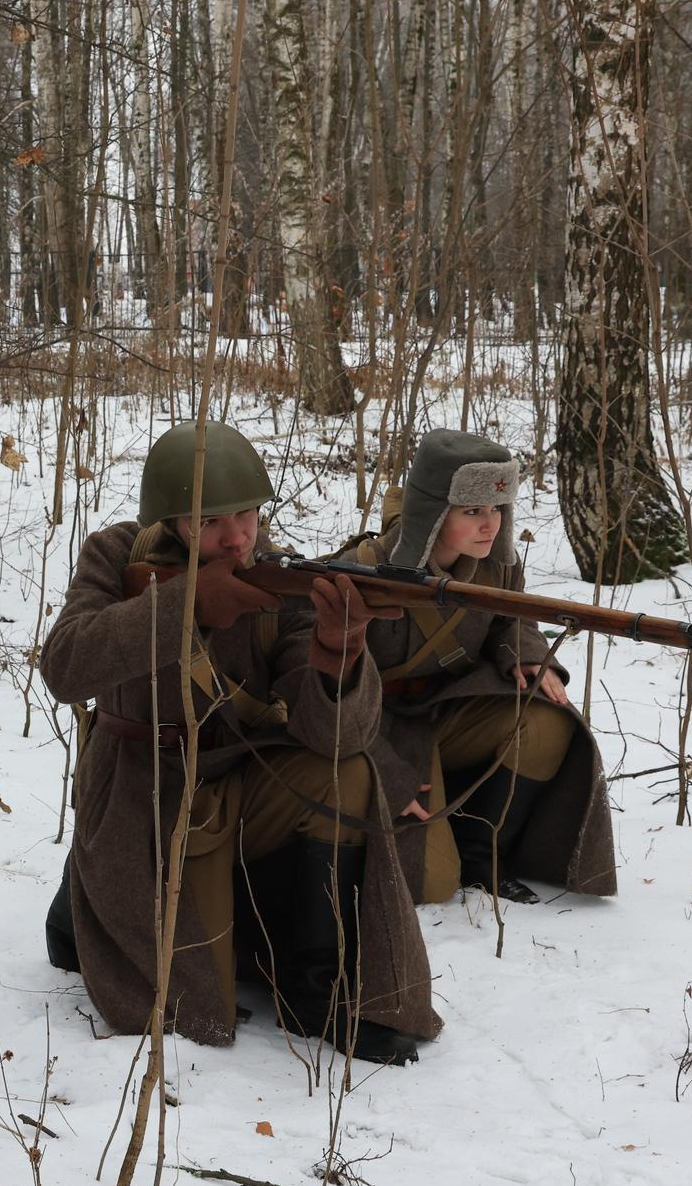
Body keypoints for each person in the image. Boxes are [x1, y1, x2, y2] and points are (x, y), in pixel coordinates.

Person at [39, 421, 438, 1065]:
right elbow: (64, 666)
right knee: (191, 997)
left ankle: (318, 993)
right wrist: (184, 606)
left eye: (247, 515)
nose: (237, 537)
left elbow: (331, 736)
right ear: (172, 519)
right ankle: (80, 907)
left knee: (346, 775)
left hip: (237, 780)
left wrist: (339, 652)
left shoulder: (276, 577)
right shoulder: (117, 553)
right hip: (145, 794)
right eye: (212, 521)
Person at [341, 429, 618, 904]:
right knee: (430, 883)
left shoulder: (495, 563)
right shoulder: (363, 571)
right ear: (431, 511)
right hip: (380, 731)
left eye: (497, 509)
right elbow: (328, 692)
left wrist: (527, 651)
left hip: (452, 711)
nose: (490, 524)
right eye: (472, 511)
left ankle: (483, 854)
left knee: (547, 722)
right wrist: (380, 769)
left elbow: (511, 616)